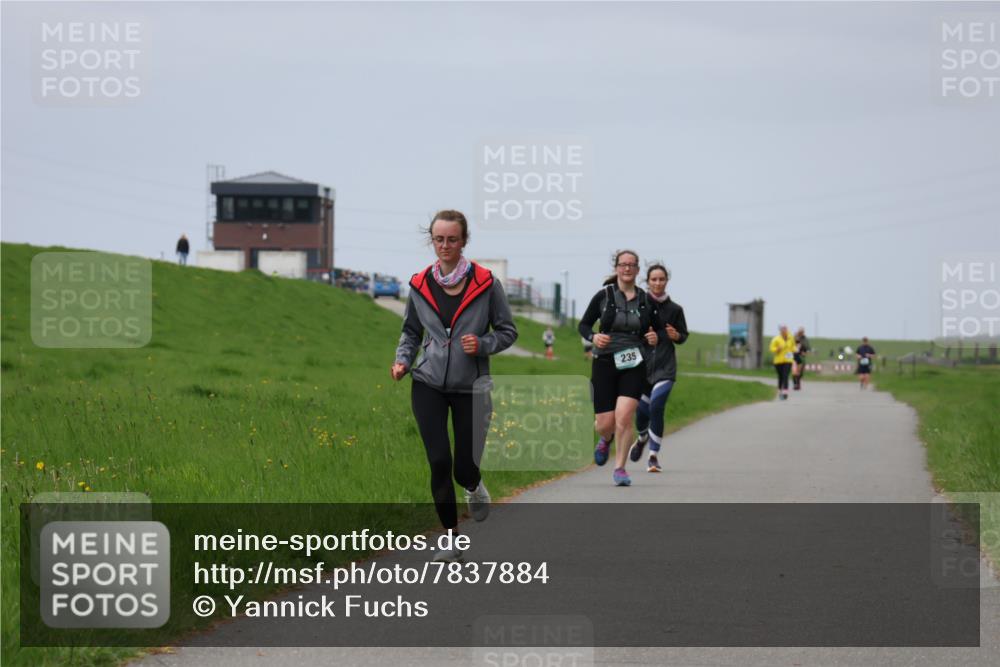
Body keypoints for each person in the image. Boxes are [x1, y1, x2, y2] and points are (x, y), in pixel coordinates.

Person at [391, 209, 518, 562]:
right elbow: (411, 331)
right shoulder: (419, 284)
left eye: (452, 239)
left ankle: (475, 486)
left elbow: (508, 331)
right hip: (427, 381)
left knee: (463, 467)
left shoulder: (486, 283)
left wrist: (484, 344)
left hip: (471, 386)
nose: (445, 246)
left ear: (464, 241)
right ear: (431, 241)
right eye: (439, 239)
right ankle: (450, 538)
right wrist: (403, 359)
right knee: (438, 460)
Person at [578, 250, 662, 487]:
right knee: (605, 423)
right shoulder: (603, 296)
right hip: (604, 362)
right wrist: (594, 337)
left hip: (633, 362)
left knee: (624, 417)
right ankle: (605, 439)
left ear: (637, 270)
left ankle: (620, 469)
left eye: (631, 265)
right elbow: (583, 325)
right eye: (623, 264)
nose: (627, 269)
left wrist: (654, 338)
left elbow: (654, 332)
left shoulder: (645, 300)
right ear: (616, 268)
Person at [629, 263, 688, 473]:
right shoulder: (637, 304)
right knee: (641, 411)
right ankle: (642, 437)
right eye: (653, 279)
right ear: (647, 281)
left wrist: (677, 336)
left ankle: (653, 456)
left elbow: (683, 335)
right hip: (641, 367)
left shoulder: (675, 310)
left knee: (656, 406)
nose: (657, 283)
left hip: (665, 366)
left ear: (667, 281)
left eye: (661, 279)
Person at [769, 325, 795, 400]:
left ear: (787, 330)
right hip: (778, 360)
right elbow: (771, 348)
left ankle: (785, 393)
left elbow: (793, 346)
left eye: (785, 329)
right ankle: (780, 391)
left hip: (788, 359)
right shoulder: (776, 339)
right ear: (780, 331)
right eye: (782, 330)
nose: (784, 331)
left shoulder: (791, 338)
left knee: (785, 375)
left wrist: (795, 350)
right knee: (780, 376)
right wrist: (777, 349)